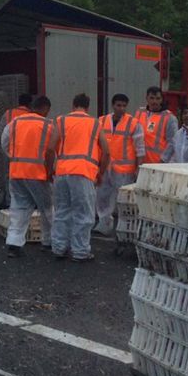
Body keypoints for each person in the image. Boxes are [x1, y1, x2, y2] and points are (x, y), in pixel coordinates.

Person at [50, 93, 110, 262]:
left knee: (62, 211)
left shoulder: (61, 120)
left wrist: (50, 170)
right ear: (88, 107)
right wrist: (101, 173)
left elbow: (50, 147)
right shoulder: (95, 123)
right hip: (83, 173)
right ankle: (80, 252)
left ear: (73, 105)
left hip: (62, 173)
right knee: (84, 214)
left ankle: (59, 248)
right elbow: (106, 151)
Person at [0, 95, 55, 257]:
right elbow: (53, 150)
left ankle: (14, 243)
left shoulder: (15, 123)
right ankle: (49, 242)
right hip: (38, 174)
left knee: (19, 208)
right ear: (46, 108)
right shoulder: (48, 125)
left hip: (17, 172)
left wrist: (14, 157)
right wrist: (51, 170)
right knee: (47, 208)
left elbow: (4, 142)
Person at [95, 93, 144, 236]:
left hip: (124, 169)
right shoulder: (101, 121)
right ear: (113, 105)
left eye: (124, 106)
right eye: (118, 105)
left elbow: (140, 148)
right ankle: (104, 224)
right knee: (102, 196)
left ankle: (124, 227)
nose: (121, 108)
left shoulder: (133, 123)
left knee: (124, 199)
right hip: (105, 166)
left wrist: (138, 168)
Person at [134, 86, 176, 164]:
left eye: (158, 98)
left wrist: (163, 160)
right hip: (140, 162)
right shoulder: (139, 113)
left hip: (157, 162)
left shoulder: (169, 117)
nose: (154, 101)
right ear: (147, 98)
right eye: (152, 98)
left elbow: (173, 142)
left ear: (162, 99)